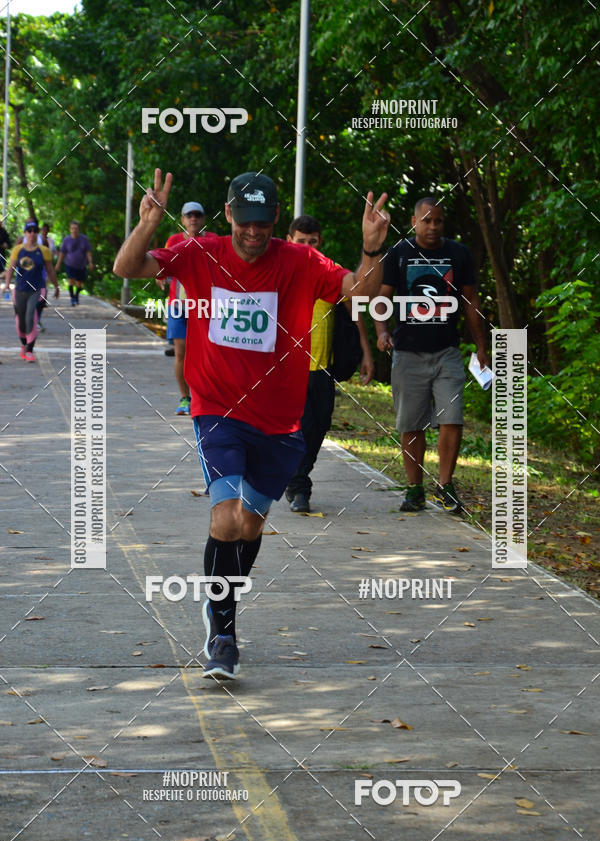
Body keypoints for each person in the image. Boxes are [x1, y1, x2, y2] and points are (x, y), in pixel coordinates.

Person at [113, 169, 390, 680]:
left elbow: (362, 294)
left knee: (251, 526)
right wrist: (146, 224)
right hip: (217, 409)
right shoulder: (201, 252)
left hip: (281, 422)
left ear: (275, 220)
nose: (254, 233)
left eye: (263, 223)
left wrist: (371, 250)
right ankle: (223, 635)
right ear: (229, 214)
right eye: (245, 222)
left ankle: (223, 606)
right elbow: (126, 267)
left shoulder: (302, 261)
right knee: (225, 519)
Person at [375, 197, 490, 513]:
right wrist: (382, 332)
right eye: (426, 221)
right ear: (414, 222)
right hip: (408, 353)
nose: (432, 227)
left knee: (451, 419)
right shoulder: (398, 254)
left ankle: (445, 485)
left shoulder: (458, 253)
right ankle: (415, 489)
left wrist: (481, 346)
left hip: (446, 352)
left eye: (438, 221)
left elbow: (470, 302)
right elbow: (383, 299)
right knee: (410, 424)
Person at [284, 215, 375, 512]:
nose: (308, 247)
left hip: (322, 369)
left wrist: (365, 349)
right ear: (289, 241)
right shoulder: (280, 272)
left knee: (318, 428)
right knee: (300, 427)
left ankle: (297, 477)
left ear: (320, 242)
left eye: (312, 242)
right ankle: (299, 487)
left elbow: (355, 306)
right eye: (301, 241)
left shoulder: (330, 273)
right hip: (289, 370)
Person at [158, 201, 207, 415]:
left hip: (205, 306)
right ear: (182, 220)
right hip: (178, 305)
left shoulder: (213, 241)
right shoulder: (175, 241)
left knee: (205, 355)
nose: (193, 219)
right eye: (189, 215)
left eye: (197, 215)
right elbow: (163, 261)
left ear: (203, 219)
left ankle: (203, 398)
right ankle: (185, 398)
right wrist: (159, 274)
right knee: (181, 353)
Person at [5, 219, 59, 362]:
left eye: (35, 231)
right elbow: (10, 268)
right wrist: (6, 284)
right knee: (21, 320)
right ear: (25, 233)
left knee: (31, 316)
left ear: (38, 234)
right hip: (20, 289)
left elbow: (50, 270)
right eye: (29, 231)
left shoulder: (44, 251)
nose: (32, 234)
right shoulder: (18, 250)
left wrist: (56, 286)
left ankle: (29, 350)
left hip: (37, 289)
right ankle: (24, 345)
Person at [56, 220, 93, 305]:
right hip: (69, 264)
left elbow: (88, 252)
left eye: (76, 228)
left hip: (81, 265)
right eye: (72, 228)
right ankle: (72, 298)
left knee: (79, 283)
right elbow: (62, 253)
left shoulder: (84, 239)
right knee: (71, 280)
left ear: (78, 229)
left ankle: (76, 296)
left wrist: (90, 262)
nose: (74, 230)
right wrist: (58, 264)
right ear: (70, 229)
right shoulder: (66, 240)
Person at [36, 223, 58, 331]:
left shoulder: (48, 241)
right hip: (30, 275)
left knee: (42, 297)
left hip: (44, 270)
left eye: (46, 229)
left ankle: (37, 320)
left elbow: (53, 253)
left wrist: (56, 286)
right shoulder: (33, 239)